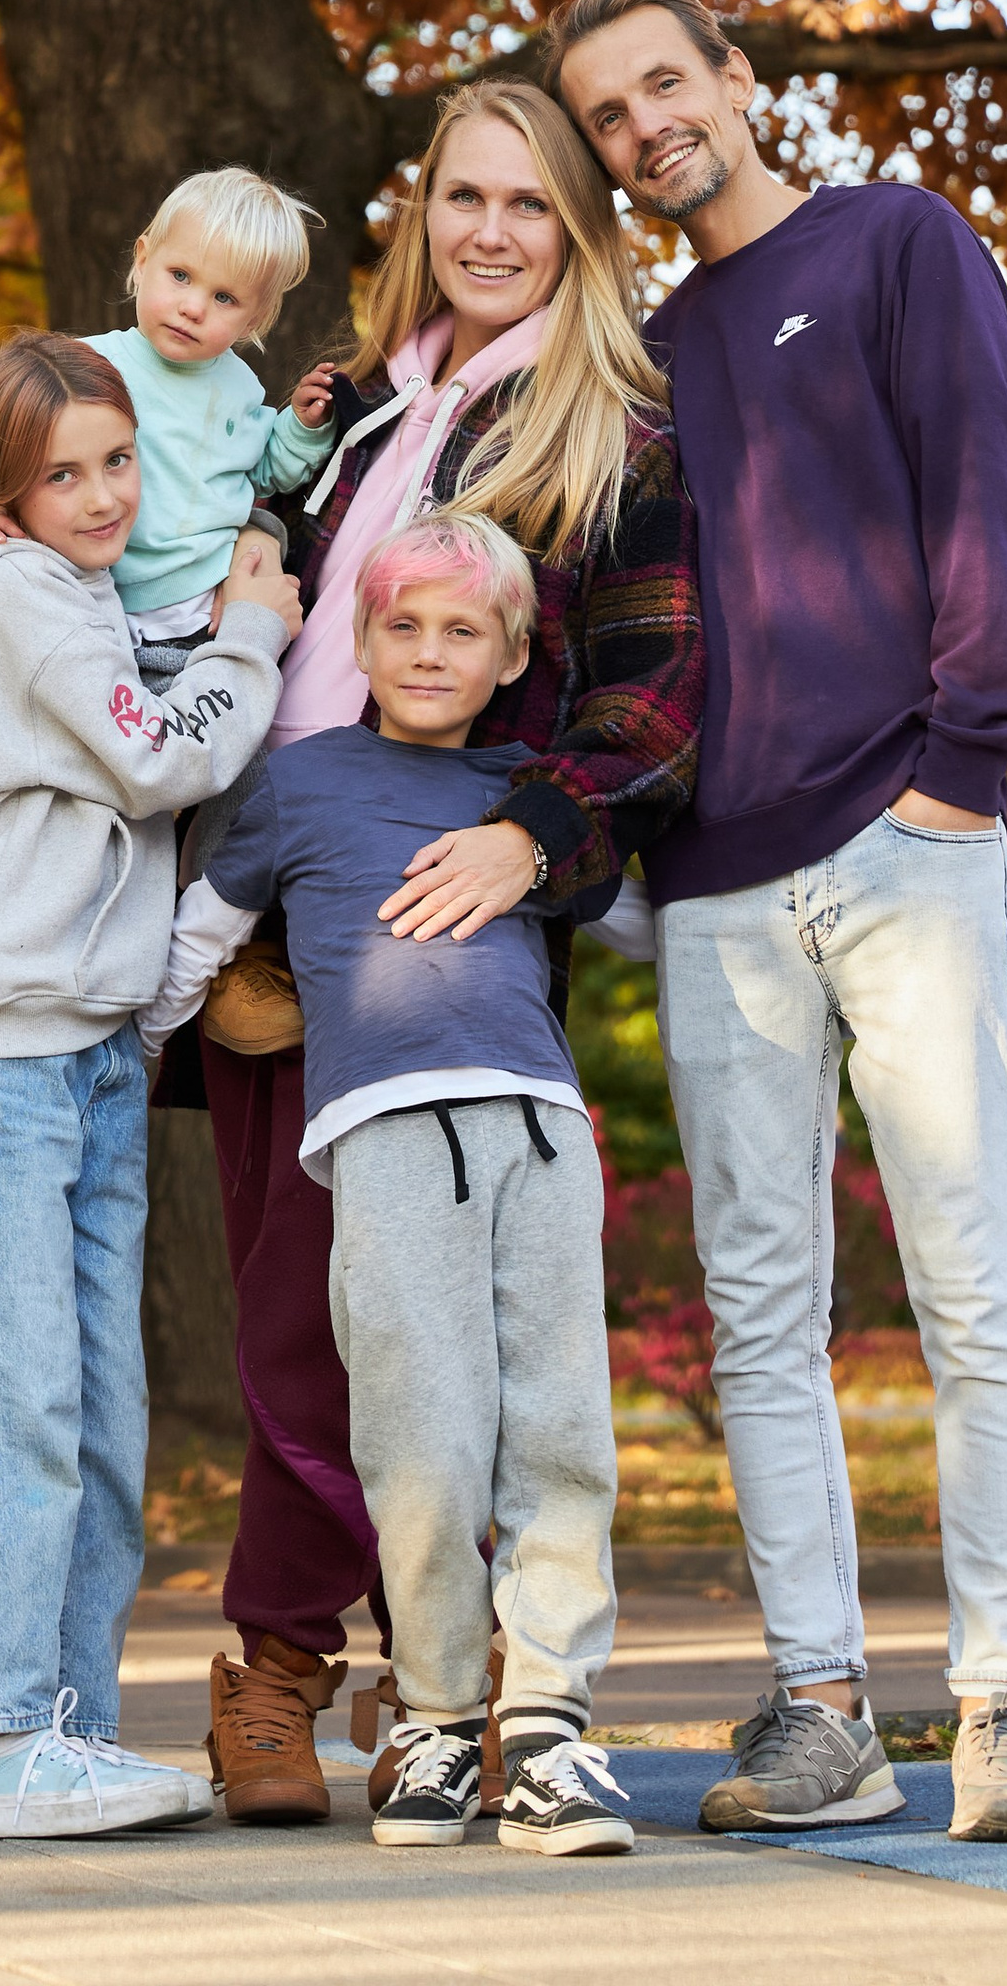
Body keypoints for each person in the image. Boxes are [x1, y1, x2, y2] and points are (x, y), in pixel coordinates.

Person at [548, 0, 1007, 1848]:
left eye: (663, 85)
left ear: (738, 81)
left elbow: (983, 502)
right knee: (759, 1315)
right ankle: (827, 1709)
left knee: (969, 1285)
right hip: (716, 892)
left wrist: (966, 764)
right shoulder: (636, 352)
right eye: (607, 115)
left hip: (909, 839)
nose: (643, 128)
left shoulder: (894, 246)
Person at [170, 78, 705, 1826]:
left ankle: (353, 1669)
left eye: (530, 205)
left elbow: (647, 688)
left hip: (444, 924)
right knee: (292, 1318)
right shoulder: (351, 413)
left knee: (434, 1342)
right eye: (463, 197)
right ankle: (315, 1660)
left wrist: (534, 832)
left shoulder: (608, 428)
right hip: (284, 899)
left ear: (578, 231)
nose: (488, 231)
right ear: (423, 216)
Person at [143, 511, 638, 1859]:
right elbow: (199, 938)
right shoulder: (300, 787)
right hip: (381, 1130)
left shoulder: (532, 788)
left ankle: (545, 1721)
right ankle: (430, 1714)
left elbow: (633, 906)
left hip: (540, 1130)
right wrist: (120, 1065)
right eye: (402, 626)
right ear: (357, 643)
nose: (429, 652)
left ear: (510, 654)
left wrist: (568, 841)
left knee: (558, 1426)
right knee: (419, 1433)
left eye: (462, 631)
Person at [0, 329, 298, 1840]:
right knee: (16, 1402)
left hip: (101, 1043)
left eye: (119, 460)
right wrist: (252, 630)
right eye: (63, 473)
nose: (104, 495)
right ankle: (0, 1740)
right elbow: (156, 764)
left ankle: (69, 1732)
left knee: (104, 1419)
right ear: (5, 490)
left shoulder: (90, 592)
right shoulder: (21, 597)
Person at [0, 167, 337, 691]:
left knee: (223, 754)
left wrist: (301, 426)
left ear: (255, 319)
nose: (192, 307)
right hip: (99, 605)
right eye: (180, 276)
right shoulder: (90, 366)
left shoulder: (241, 389)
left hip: (208, 612)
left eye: (225, 298)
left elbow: (266, 470)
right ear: (142, 259)